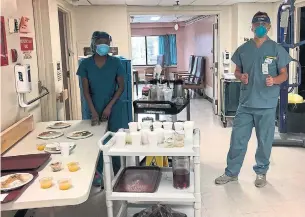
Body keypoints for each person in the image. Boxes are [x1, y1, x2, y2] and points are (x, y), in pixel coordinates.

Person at [215, 12, 292, 188]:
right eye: (257, 24)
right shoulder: (243, 49)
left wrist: (274, 80)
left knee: (264, 142)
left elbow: (284, 75)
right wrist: (240, 76)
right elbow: (236, 71)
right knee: (237, 140)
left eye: (263, 25)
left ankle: (261, 172)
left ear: (269, 27)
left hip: (267, 104)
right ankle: (231, 173)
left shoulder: (276, 49)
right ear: (252, 27)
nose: (260, 27)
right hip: (246, 104)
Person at [77, 31, 125, 186]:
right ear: (93, 44)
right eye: (100, 42)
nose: (104, 46)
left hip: (113, 106)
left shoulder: (116, 63)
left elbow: (121, 87)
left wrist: (109, 107)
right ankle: (96, 175)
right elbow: (85, 90)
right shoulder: (85, 64)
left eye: (106, 43)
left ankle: (119, 174)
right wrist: (93, 111)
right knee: (95, 143)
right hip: (93, 105)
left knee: (115, 141)